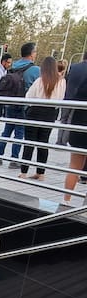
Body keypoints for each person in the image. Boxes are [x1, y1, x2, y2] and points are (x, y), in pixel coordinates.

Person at [0, 42, 40, 169]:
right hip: (24, 105)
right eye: (35, 52)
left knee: (6, 131)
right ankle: (14, 160)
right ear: (31, 54)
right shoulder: (35, 70)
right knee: (19, 133)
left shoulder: (14, 66)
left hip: (10, 103)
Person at [19, 56, 65, 180]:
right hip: (50, 113)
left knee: (29, 142)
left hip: (34, 112)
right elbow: (61, 99)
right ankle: (41, 173)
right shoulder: (61, 81)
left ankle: (23, 172)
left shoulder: (40, 81)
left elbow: (29, 97)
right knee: (43, 143)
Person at [62, 53, 87, 202]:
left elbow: (68, 95)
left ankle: (66, 200)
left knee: (74, 164)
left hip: (79, 119)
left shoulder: (76, 68)